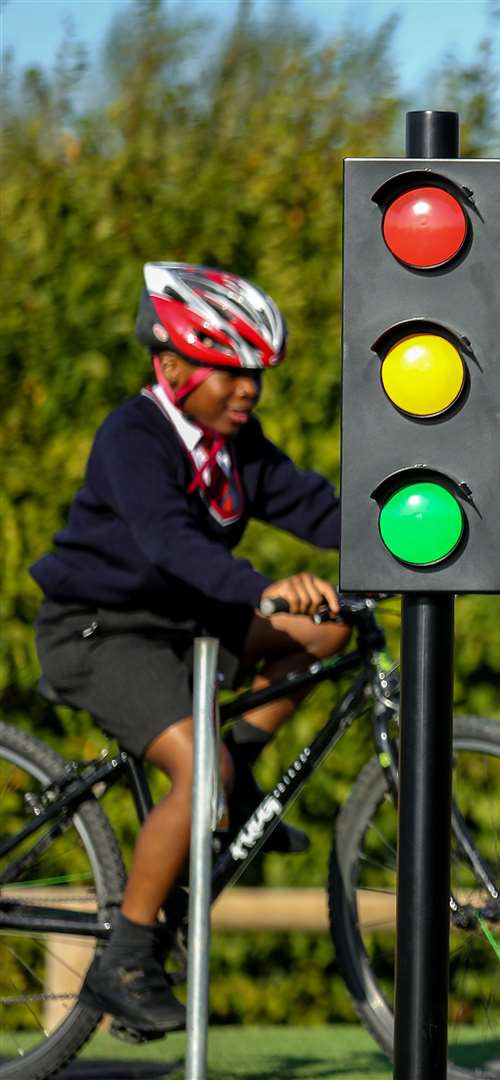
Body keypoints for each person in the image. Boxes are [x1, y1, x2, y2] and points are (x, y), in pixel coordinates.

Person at [30, 262, 349, 1037]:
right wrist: (263, 588)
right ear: (168, 366)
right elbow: (168, 542)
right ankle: (127, 960)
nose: (248, 392)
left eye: (256, 377)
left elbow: (310, 505)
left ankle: (229, 782)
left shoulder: (238, 446)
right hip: (104, 630)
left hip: (187, 623)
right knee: (199, 772)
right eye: (230, 374)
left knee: (332, 629)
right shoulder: (132, 438)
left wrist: (407, 553)